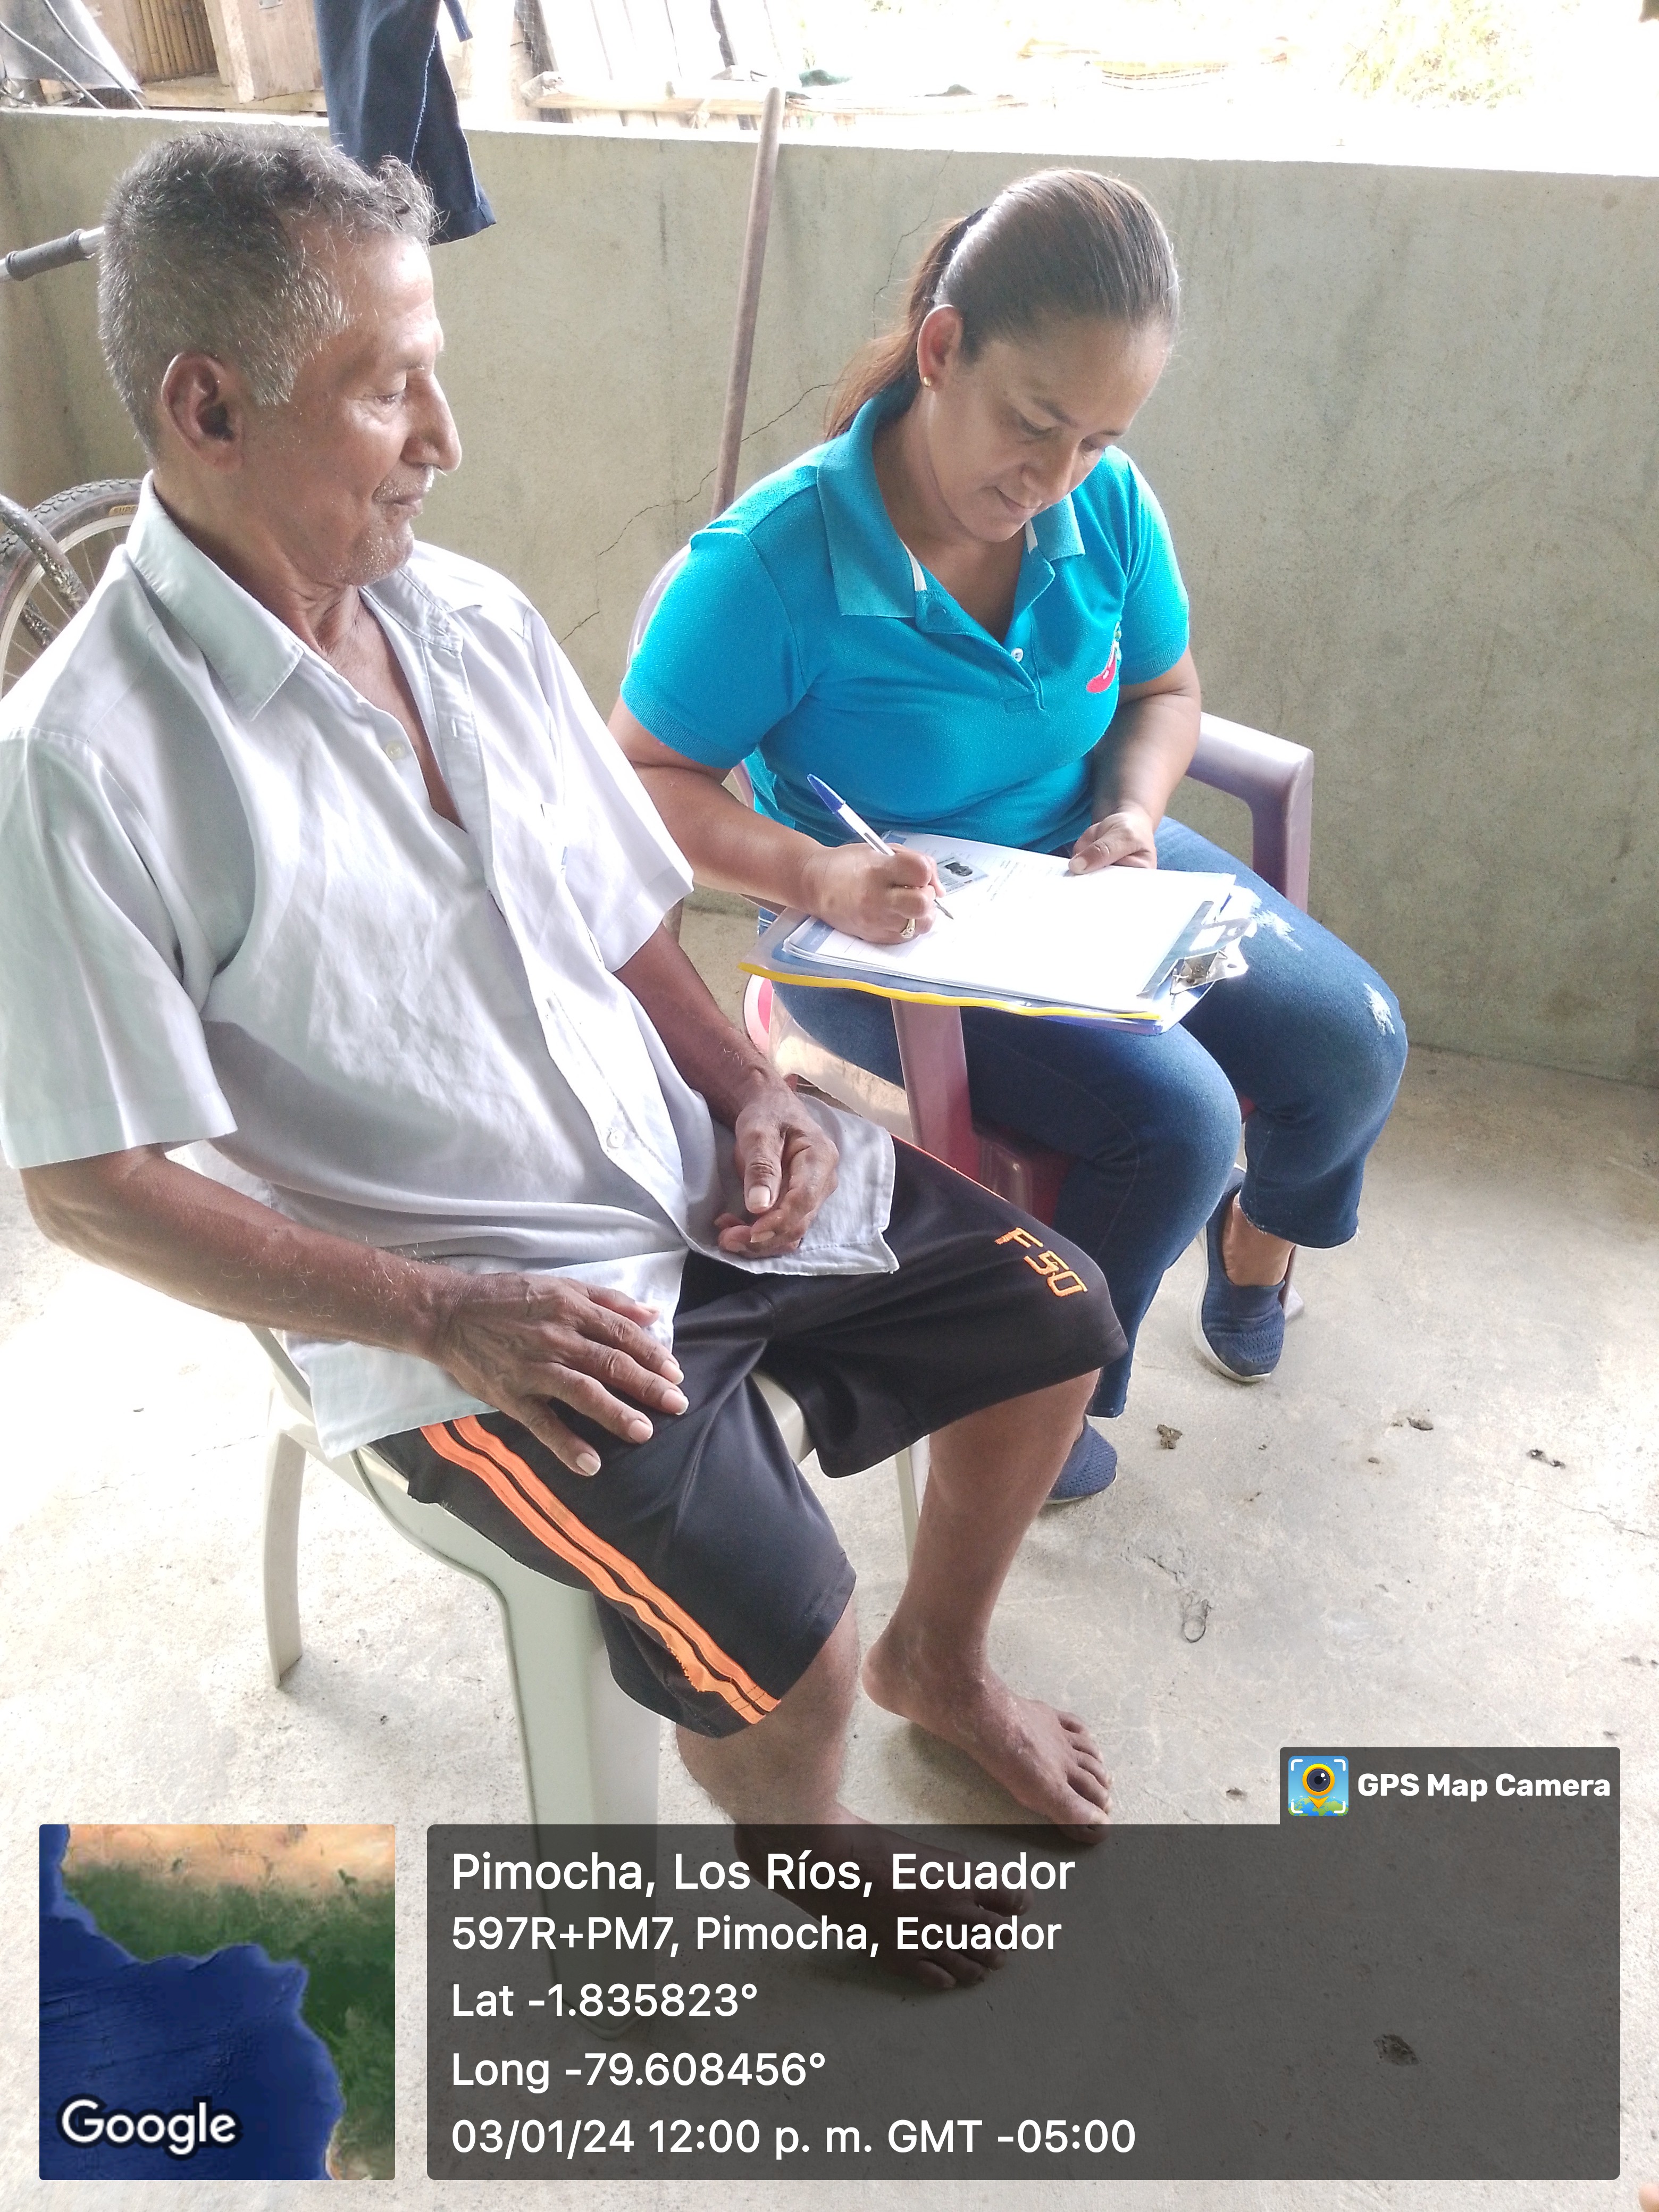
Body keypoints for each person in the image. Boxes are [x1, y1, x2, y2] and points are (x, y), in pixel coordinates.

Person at [0, 133, 1122, 1967]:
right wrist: (437, 1313)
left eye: (433, 371)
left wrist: (747, 1088)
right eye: (387, 389)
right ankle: (806, 1837)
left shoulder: (469, 620)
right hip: (479, 1308)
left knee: (1055, 1316)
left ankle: (947, 1662)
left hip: (683, 1168)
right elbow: (90, 1187)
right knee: (792, 1649)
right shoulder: (79, 765)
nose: (444, 438)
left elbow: (614, 918)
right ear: (209, 408)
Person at [613, 169, 1409, 1503]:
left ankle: (1258, 1242)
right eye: (1034, 425)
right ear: (942, 350)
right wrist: (817, 871)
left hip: (1081, 870)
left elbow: (1163, 691)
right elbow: (639, 777)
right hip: (880, 929)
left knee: (1353, 1040)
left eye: (1096, 439)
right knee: (1173, 1124)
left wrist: (1131, 810)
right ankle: (1037, 1397)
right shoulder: (771, 565)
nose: (1054, 481)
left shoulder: (1106, 506)